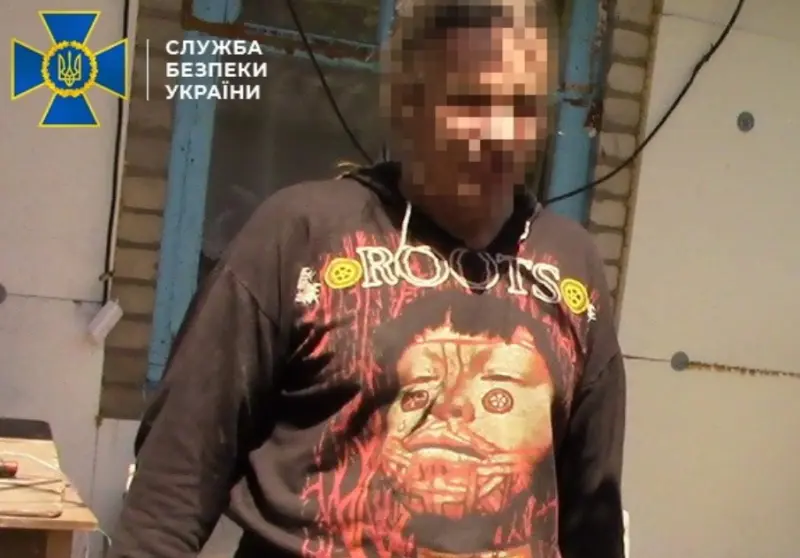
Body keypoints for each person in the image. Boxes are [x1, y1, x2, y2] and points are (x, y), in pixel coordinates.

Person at [110, 0, 626, 556]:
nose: (498, 132)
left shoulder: (571, 269)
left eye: (522, 106)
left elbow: (592, 525)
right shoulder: (302, 236)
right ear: (406, 104)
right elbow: (170, 492)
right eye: (470, 100)